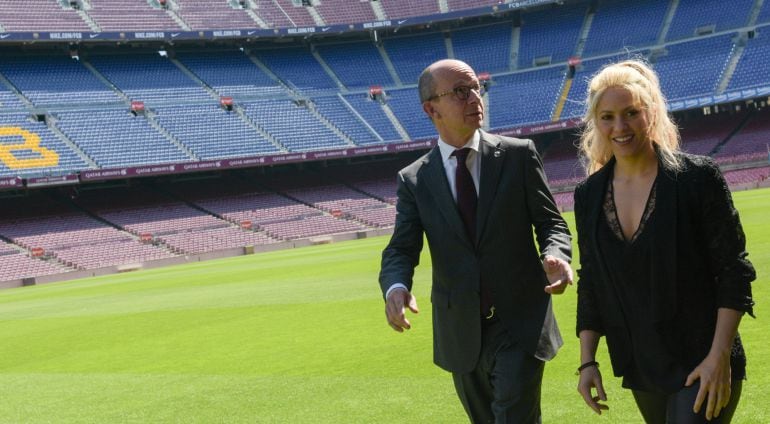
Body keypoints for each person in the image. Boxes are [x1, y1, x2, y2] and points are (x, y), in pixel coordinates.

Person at [379, 59, 573, 423]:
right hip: (460, 332)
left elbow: (551, 223)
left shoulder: (518, 155)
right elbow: (401, 248)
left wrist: (556, 254)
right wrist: (396, 286)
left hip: (520, 323)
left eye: (475, 88)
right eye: (459, 92)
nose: (474, 98)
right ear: (431, 108)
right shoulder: (415, 179)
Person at [573, 59, 756, 423]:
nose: (620, 127)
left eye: (631, 113)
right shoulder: (588, 195)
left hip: (703, 357)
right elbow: (591, 279)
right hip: (643, 365)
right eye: (607, 117)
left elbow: (733, 271)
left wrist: (719, 357)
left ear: (650, 113)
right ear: (596, 123)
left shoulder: (698, 178)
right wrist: (587, 361)